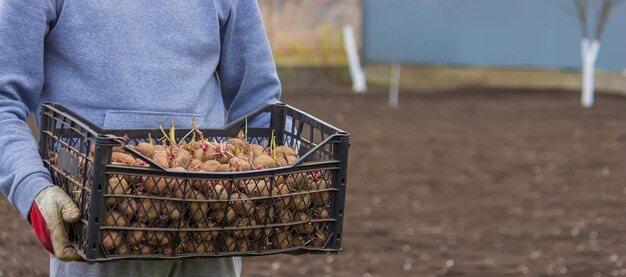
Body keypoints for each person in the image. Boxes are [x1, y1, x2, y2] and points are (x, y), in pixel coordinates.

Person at [0, 0, 280, 276]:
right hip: (99, 223)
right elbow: (4, 103)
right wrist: (33, 188)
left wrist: (283, 201)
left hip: (207, 220)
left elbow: (259, 101)